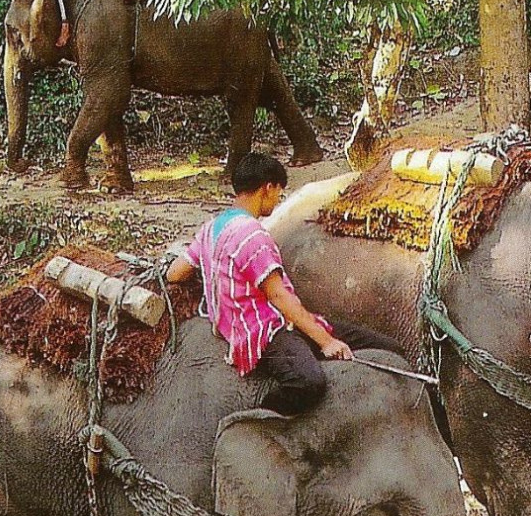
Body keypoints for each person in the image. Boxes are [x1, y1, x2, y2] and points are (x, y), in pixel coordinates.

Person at [166, 153, 401, 415]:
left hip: (245, 321)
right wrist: (326, 341)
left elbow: (175, 273)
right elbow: (278, 296)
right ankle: (257, 421)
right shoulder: (253, 235)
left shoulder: (211, 228)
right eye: (279, 192)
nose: (278, 200)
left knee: (375, 343)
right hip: (261, 332)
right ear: (268, 187)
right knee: (307, 382)